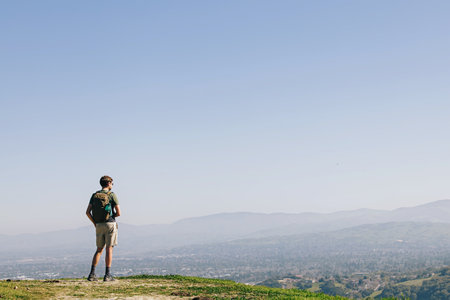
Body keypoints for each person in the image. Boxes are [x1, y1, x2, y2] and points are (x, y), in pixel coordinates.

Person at [85, 175, 121, 281]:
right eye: (112, 183)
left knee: (99, 250)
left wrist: (95, 223)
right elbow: (119, 213)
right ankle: (107, 275)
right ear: (109, 183)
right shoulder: (112, 195)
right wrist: (112, 216)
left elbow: (87, 212)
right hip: (110, 224)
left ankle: (92, 274)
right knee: (109, 248)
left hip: (99, 225)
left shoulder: (94, 195)